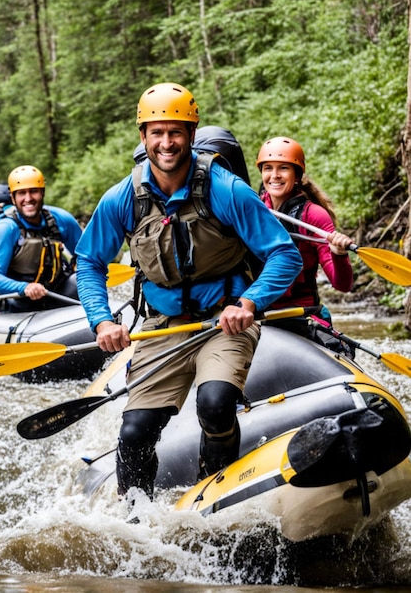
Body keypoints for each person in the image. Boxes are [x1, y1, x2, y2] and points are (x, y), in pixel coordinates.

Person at [76, 82, 303, 501]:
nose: (167, 142)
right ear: (143, 137)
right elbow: (89, 263)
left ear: (192, 135)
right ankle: (135, 522)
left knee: (215, 404)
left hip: (224, 321)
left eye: (176, 131)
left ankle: (213, 494)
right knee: (134, 430)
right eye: (157, 132)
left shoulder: (226, 189)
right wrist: (102, 319)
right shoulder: (121, 199)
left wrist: (249, 303)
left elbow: (285, 256)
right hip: (162, 326)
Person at [257, 136, 354, 339]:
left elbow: (342, 285)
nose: (274, 176)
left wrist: (338, 254)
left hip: (301, 314)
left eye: (283, 168)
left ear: (297, 175)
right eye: (268, 168)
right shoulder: (254, 208)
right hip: (258, 314)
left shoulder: (314, 215)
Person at [0, 165, 83, 311]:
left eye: (33, 191)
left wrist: (83, 269)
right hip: (20, 298)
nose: (28, 198)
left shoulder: (62, 219)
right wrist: (25, 287)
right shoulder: (5, 228)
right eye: (21, 193)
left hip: (57, 290)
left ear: (42, 193)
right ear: (13, 197)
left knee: (81, 279)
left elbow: (86, 256)